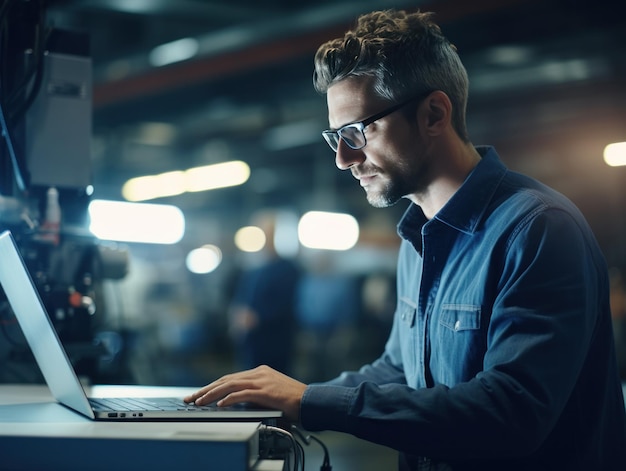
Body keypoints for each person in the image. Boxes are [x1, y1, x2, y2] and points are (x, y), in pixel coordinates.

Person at [185, 9, 626, 470]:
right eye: (335, 136)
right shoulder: (417, 239)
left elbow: (512, 412)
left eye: (357, 131)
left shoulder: (537, 229)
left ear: (434, 113)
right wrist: (281, 397)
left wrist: (313, 402)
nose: (342, 158)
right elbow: (400, 371)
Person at [227, 211, 300, 375]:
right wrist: (237, 316)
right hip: (251, 340)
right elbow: (241, 297)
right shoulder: (253, 267)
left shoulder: (288, 269)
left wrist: (258, 318)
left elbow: (287, 304)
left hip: (274, 340)